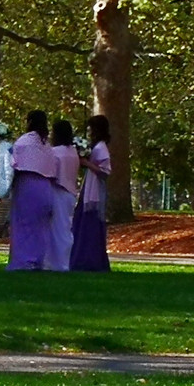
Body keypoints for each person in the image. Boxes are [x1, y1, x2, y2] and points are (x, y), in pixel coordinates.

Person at [7, 112, 58, 270]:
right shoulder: (47, 146)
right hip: (46, 187)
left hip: (27, 185)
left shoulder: (24, 142)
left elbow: (13, 165)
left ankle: (24, 261)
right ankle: (38, 260)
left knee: (24, 225)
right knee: (40, 227)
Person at [71, 115, 113, 272]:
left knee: (91, 226)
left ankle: (90, 260)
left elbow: (105, 171)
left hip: (94, 192)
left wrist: (87, 163)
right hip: (88, 188)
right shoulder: (96, 147)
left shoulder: (101, 148)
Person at [46, 118, 79, 271]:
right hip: (71, 193)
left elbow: (52, 173)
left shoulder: (55, 152)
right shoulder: (73, 152)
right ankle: (63, 261)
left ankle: (56, 263)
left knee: (55, 229)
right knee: (66, 227)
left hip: (57, 190)